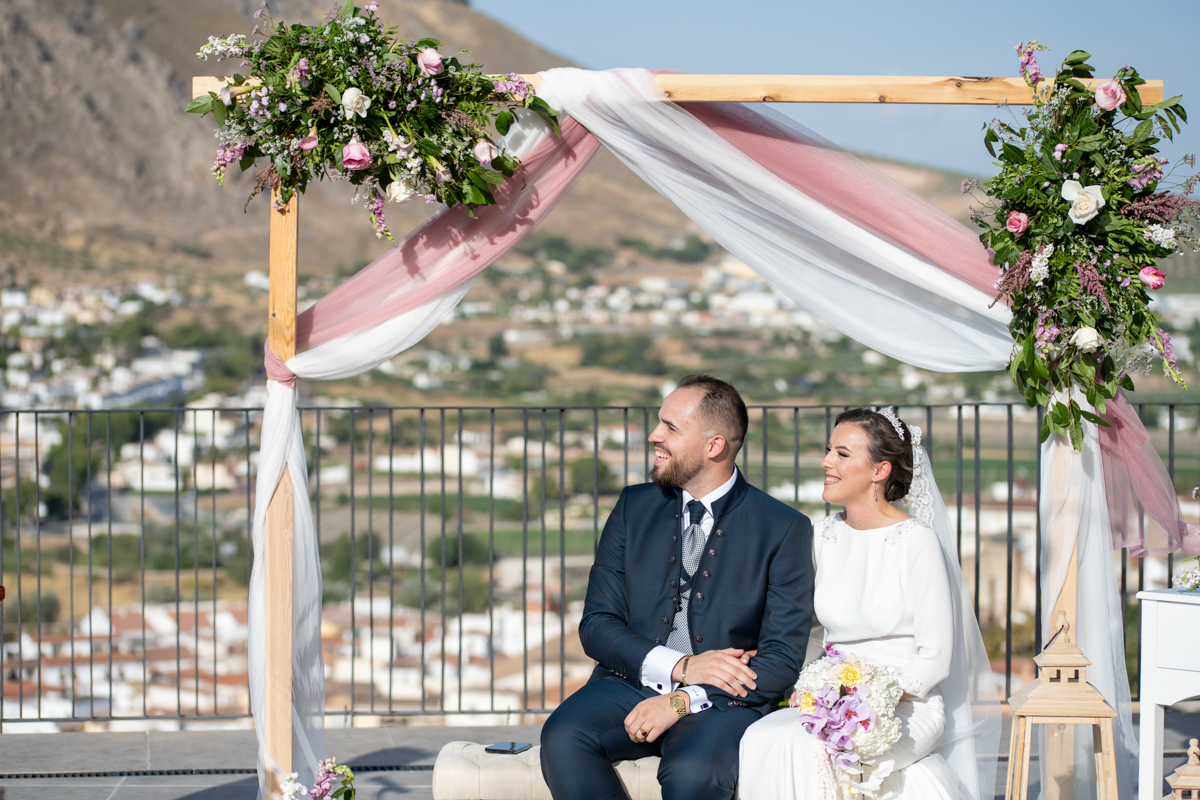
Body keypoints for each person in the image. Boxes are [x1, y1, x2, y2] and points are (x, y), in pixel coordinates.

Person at [540, 375, 814, 800]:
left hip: (723, 701)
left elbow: (781, 658)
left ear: (714, 446)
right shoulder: (632, 507)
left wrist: (684, 698)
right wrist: (681, 667)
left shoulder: (782, 527)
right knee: (563, 737)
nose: (654, 435)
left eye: (670, 427)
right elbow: (597, 624)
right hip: (627, 681)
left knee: (692, 773)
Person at [739, 407, 999, 800]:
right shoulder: (821, 535)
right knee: (762, 736)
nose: (826, 461)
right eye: (829, 450)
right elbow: (812, 634)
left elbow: (935, 659)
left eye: (842, 454)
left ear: (880, 470)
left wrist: (870, 697)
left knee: (813, 750)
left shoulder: (917, 542)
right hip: (831, 700)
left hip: (906, 706)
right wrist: (804, 684)